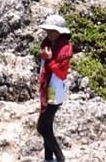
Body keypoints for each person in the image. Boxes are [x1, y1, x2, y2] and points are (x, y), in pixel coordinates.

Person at [37, 14, 72, 162]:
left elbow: (61, 72)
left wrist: (49, 60)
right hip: (48, 89)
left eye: (52, 31)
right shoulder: (49, 45)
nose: (49, 34)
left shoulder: (65, 49)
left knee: (42, 127)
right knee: (47, 125)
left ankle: (59, 157)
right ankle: (48, 158)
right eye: (48, 31)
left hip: (55, 90)